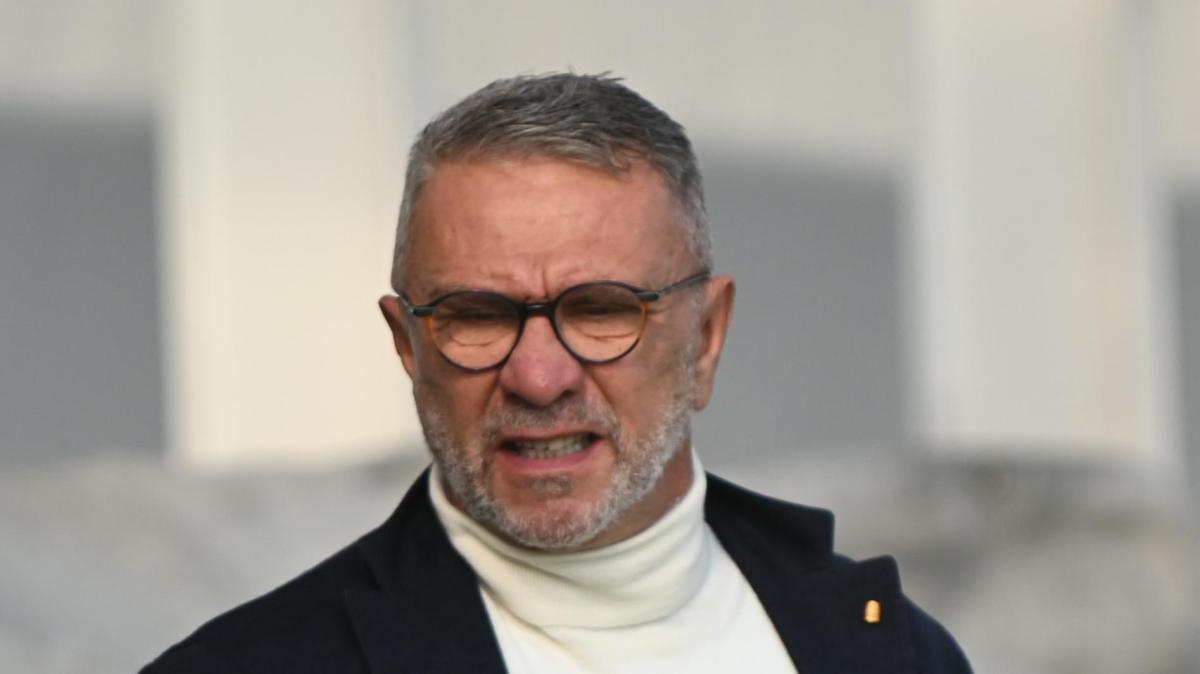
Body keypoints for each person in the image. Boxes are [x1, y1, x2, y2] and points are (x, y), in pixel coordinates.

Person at [142, 72, 971, 673]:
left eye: (602, 309)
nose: (539, 378)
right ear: (408, 347)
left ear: (706, 339)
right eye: (477, 315)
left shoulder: (891, 652)